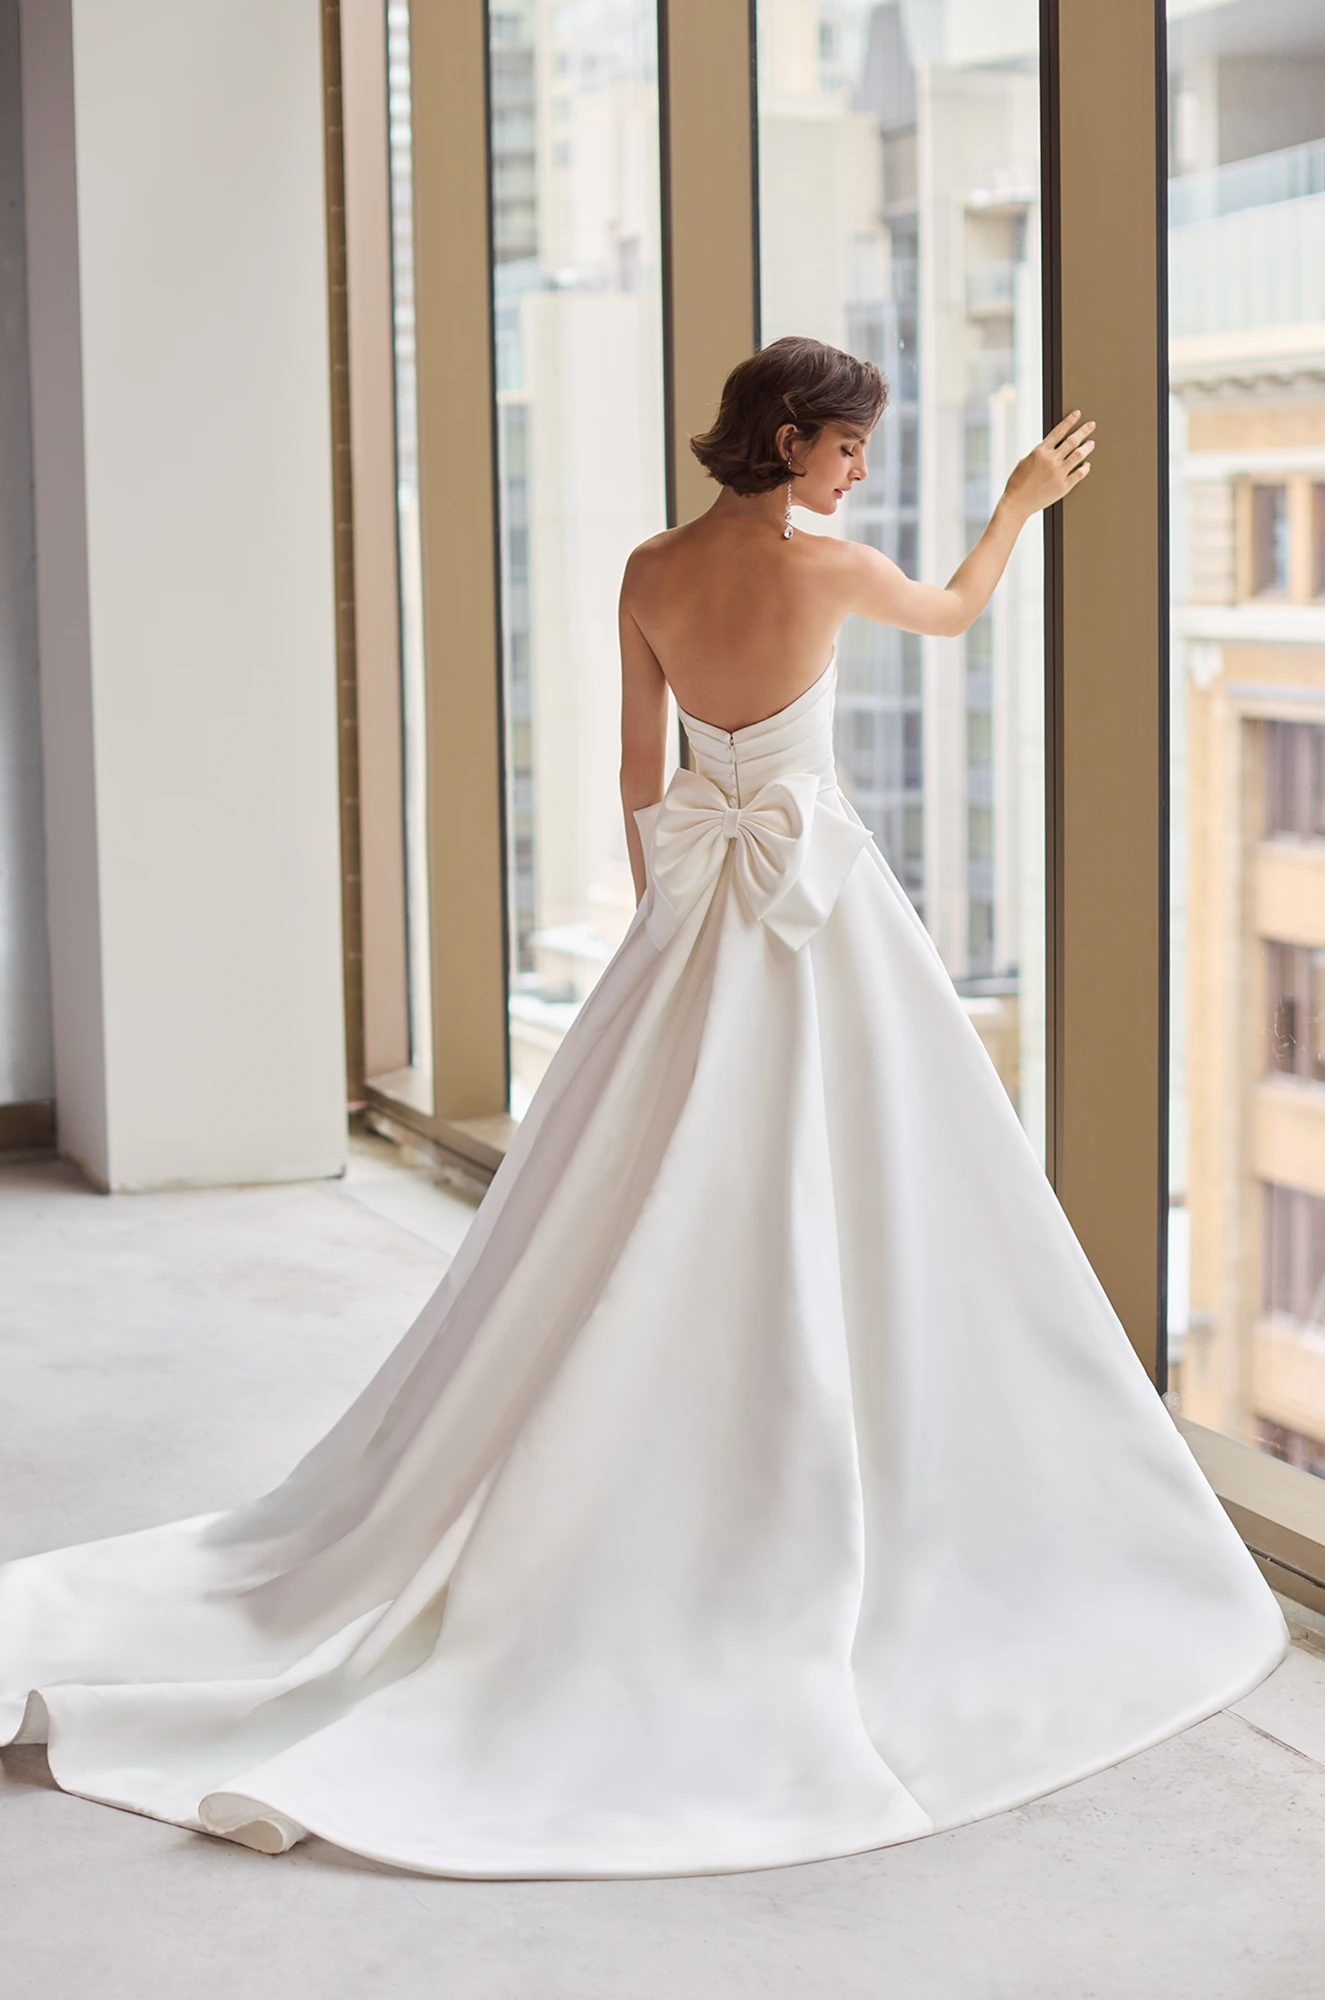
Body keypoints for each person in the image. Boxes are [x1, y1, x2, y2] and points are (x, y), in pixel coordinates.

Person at [0, 337, 1285, 1880]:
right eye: (850, 449)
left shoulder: (648, 571)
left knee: (635, 1198)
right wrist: (1018, 503)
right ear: (794, 439)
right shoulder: (830, 571)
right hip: (819, 915)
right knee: (872, 1181)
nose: (858, 474)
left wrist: (669, 924)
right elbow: (953, 612)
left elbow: (635, 773)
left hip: (696, 914)